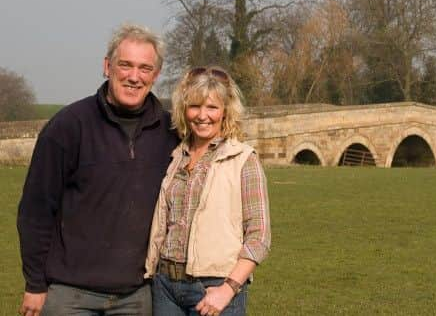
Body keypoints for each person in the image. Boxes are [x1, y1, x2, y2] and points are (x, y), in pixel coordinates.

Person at [17, 24, 179, 316]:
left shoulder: (172, 132)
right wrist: (35, 284)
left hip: (137, 295)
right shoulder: (68, 126)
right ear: (107, 66)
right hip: (70, 295)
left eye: (145, 68)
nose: (134, 76)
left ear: (156, 75)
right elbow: (35, 211)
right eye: (125, 65)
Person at [144, 66, 271, 316]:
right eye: (195, 106)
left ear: (225, 112)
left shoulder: (243, 159)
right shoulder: (175, 157)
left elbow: (260, 235)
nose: (202, 116)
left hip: (214, 288)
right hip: (166, 287)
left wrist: (229, 288)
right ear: (184, 110)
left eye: (212, 107)